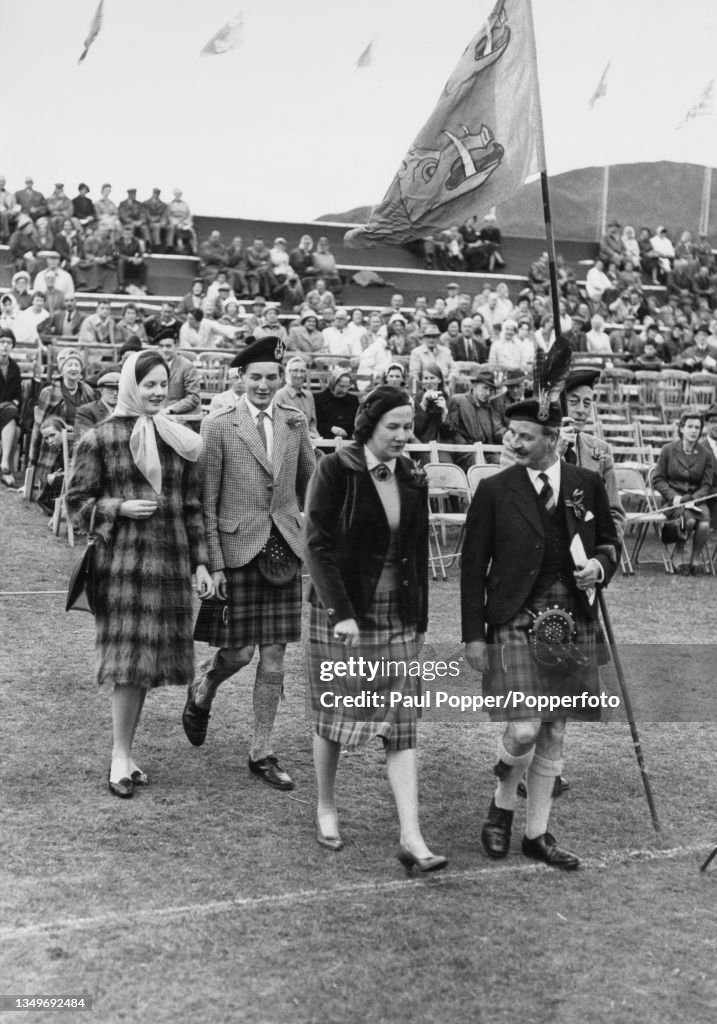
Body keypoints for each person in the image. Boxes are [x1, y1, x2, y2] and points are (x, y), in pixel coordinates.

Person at [461, 397, 621, 870]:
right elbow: (472, 568)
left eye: (525, 436)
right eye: (511, 433)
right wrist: (474, 635)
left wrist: (599, 566)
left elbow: (609, 542)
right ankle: (501, 804)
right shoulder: (494, 490)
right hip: (513, 616)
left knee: (554, 728)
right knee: (525, 726)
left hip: (572, 617)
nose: (513, 442)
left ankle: (536, 834)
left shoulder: (586, 483)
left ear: (553, 439)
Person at [304, 385, 446, 871]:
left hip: (396, 614)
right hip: (342, 613)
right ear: (369, 425)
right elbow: (316, 546)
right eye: (394, 427)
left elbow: (418, 555)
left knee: (402, 722)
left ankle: (412, 835)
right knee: (335, 713)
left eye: (409, 427)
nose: (403, 436)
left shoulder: (411, 474)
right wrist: (340, 611)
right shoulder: (334, 469)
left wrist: (419, 619)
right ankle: (326, 806)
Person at [66, 350, 212, 797]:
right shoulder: (100, 438)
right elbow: (76, 502)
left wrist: (201, 562)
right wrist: (119, 507)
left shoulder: (176, 437)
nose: (156, 392)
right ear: (132, 385)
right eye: (148, 384)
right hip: (124, 569)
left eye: (162, 384)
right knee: (128, 666)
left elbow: (191, 506)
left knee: (146, 666)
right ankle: (119, 757)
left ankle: (127, 754)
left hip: (168, 567)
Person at [182, 336, 316, 791]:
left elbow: (312, 483)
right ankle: (205, 684)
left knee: (275, 654)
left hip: (284, 552)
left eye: (271, 377)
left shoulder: (295, 422)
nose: (263, 384)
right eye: (255, 377)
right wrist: (213, 564)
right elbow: (206, 500)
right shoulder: (218, 425)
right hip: (236, 553)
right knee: (238, 653)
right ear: (240, 378)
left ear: (281, 379)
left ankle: (262, 750)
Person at [653, 410, 714, 575]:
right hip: (674, 501)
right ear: (681, 428)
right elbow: (657, 479)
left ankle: (695, 559)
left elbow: (706, 485)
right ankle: (678, 554)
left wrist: (694, 498)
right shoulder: (668, 450)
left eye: (697, 427)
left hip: (697, 501)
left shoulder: (706, 455)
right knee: (690, 521)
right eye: (690, 426)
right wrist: (674, 496)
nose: (693, 431)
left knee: (704, 525)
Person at [274, 356, 319, 437]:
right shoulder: (279, 395)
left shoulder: (309, 395)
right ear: (288, 372)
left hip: (310, 440)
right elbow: (279, 427)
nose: (299, 375)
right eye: (295, 370)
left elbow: (312, 424)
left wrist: (316, 437)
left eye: (302, 371)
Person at [0, 328, 22, 485]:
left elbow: (18, 394)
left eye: (9, 342)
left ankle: (5, 465)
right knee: (12, 417)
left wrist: (14, 402)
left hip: (7, 410)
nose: (6, 345)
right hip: (5, 409)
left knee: (15, 424)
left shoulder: (14, 367)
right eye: (2, 342)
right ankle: (6, 467)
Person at [315, 366, 359, 440]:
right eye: (341, 386)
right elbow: (315, 424)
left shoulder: (353, 400)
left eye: (347, 386)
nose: (344, 390)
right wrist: (331, 428)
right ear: (332, 384)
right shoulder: (318, 399)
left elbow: (356, 424)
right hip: (325, 440)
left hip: (347, 441)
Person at [74, 369, 120, 439]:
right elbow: (86, 440)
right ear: (101, 390)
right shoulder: (86, 412)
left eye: (118, 389)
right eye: (111, 389)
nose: (115, 393)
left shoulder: (127, 412)